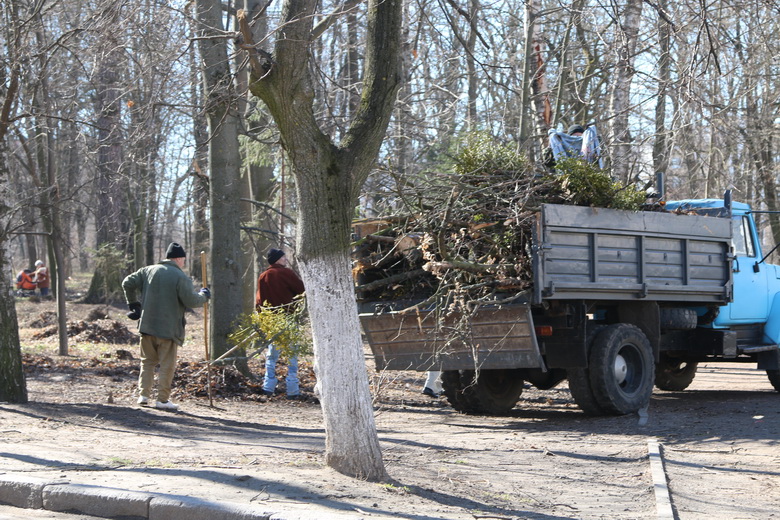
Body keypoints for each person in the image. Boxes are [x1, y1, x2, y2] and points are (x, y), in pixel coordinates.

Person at [122, 242, 211, 411]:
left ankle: (144, 396)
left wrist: (133, 304)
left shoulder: (147, 270)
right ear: (178, 259)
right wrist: (204, 296)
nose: (184, 263)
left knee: (147, 362)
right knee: (166, 365)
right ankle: (162, 400)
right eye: (183, 259)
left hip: (147, 326)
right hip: (168, 330)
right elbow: (191, 301)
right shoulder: (180, 277)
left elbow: (127, 282)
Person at [255, 248, 305, 399]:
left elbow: (259, 301)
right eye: (283, 257)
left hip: (272, 321)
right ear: (277, 259)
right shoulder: (286, 273)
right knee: (292, 355)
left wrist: (263, 319)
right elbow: (301, 289)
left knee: (272, 355)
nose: (285, 259)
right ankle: (293, 390)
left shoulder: (263, 276)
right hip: (288, 319)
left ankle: (268, 387)